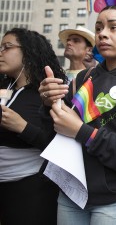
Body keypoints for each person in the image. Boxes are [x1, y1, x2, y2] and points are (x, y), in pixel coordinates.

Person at [38, 5, 116, 225]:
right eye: (99, 27)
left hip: (114, 198)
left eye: (113, 27)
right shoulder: (86, 76)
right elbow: (54, 131)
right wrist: (49, 104)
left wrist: (80, 131)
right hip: (71, 190)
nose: (103, 33)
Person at [0, 28, 67, 225]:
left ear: (28, 51)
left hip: (31, 191)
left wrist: (22, 127)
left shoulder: (47, 94)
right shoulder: (5, 87)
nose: (1, 52)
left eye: (7, 47)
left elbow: (60, 148)